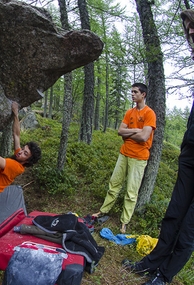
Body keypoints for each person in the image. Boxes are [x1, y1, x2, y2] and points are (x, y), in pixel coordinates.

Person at [122, 9, 194, 285]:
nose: (189, 32)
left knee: (188, 229)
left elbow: (141, 135)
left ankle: (163, 276)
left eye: (192, 25)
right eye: (186, 27)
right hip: (190, 154)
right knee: (174, 214)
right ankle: (149, 264)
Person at [92, 82, 156, 233]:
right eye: (132, 92)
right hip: (124, 153)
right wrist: (136, 130)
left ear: (143, 94)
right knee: (114, 184)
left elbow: (144, 136)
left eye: (135, 92)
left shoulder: (149, 113)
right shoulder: (129, 112)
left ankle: (124, 222)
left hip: (139, 157)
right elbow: (120, 131)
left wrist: (131, 133)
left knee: (131, 191)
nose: (132, 94)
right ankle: (103, 211)